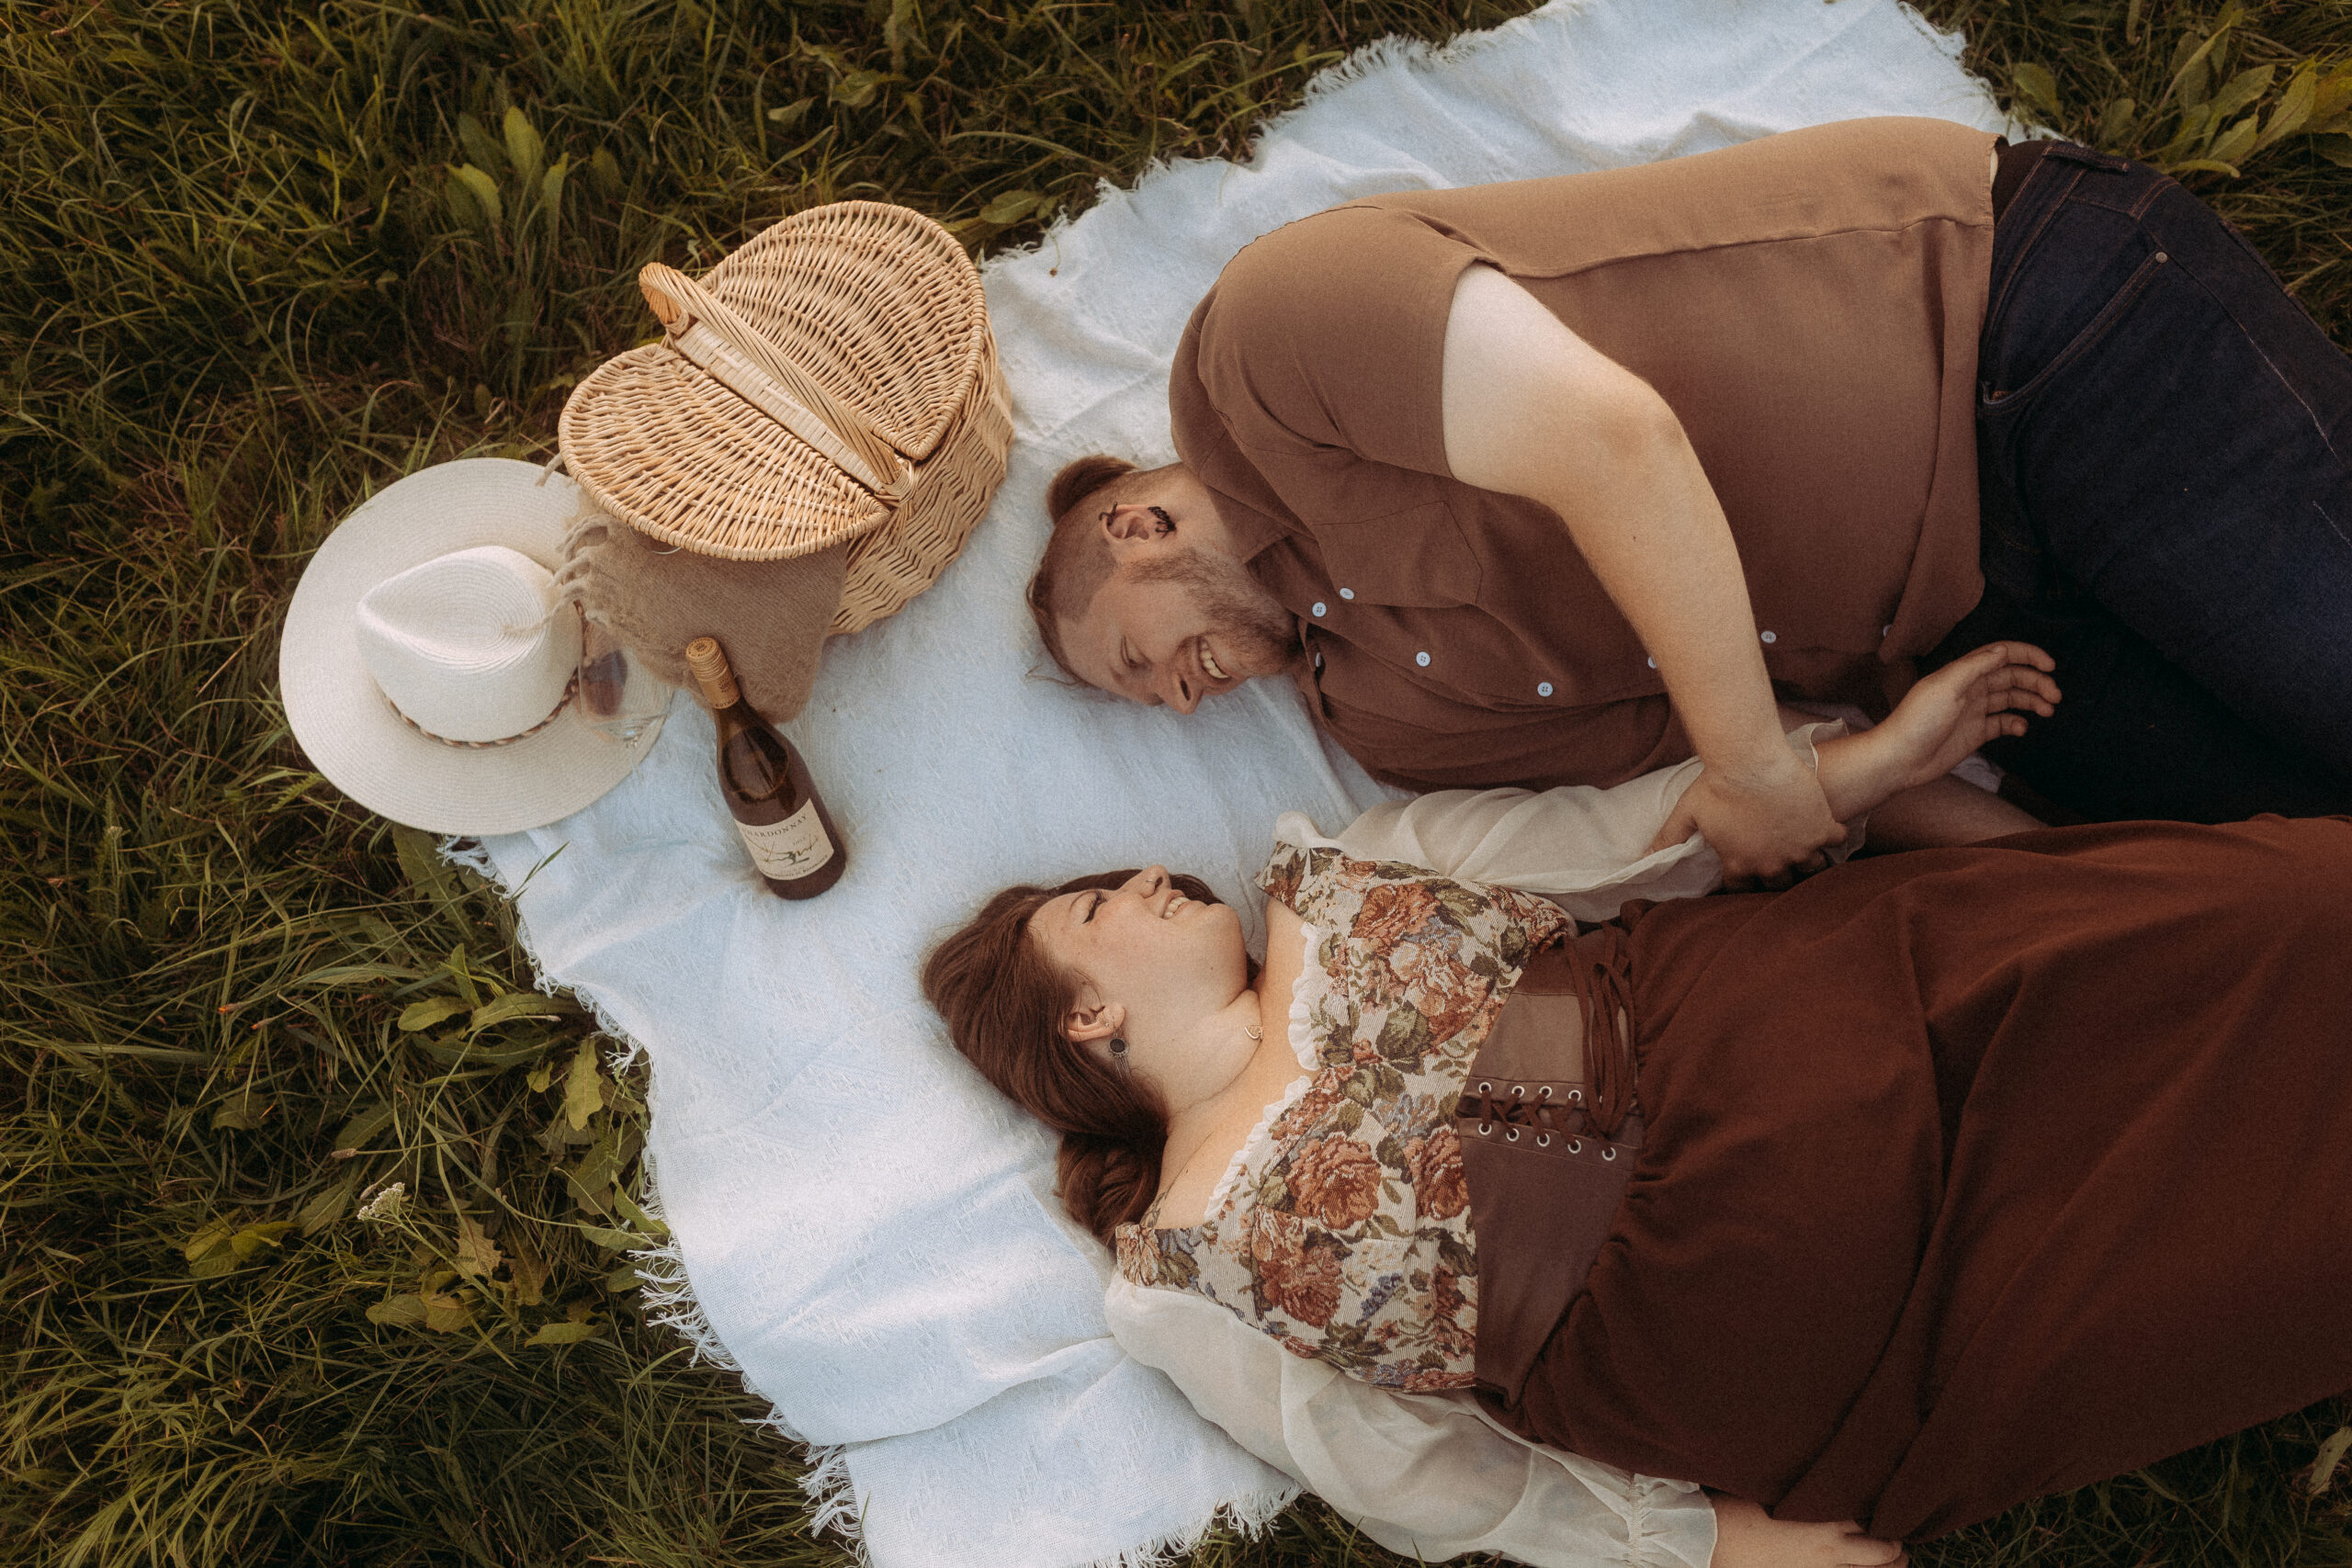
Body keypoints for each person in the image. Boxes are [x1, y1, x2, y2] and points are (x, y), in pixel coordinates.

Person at [922, 641, 2352, 1567]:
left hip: (1796, 1026)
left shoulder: (1345, 867)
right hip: (1788, 1331)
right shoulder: (1178, 1272)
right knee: (2265, 1255)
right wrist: (1713, 1546)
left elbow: (1629, 839)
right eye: (1101, 907)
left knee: (2272, 918)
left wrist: (1868, 765)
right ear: (1087, 1018)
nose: (1154, 880)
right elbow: (1421, 1476)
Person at [1023, 116, 2352, 885]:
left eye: (1140, 659)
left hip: (2020, 341)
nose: (1182, 696)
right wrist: (2062, 898)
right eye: (1155, 702)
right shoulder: (1390, 718)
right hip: (1975, 624)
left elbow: (1617, 443)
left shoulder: (1262, 352)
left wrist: (1760, 772)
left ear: (1134, 527)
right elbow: (1783, 748)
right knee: (2272, 870)